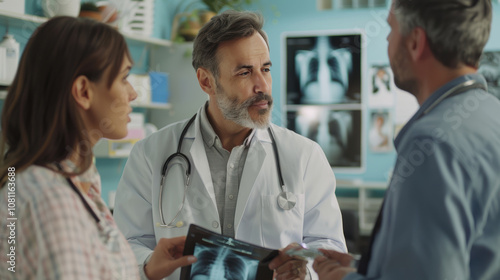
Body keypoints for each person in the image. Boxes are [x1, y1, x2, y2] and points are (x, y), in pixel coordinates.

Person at [113, 10, 347, 280]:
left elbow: (329, 246)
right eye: (245, 72)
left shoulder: (305, 156)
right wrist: (148, 263)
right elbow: (126, 245)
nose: (262, 85)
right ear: (206, 81)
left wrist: (304, 270)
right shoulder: (150, 154)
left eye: (266, 69)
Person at [313, 0, 500, 279]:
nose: (388, 39)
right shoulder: (491, 115)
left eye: (391, 28)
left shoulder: (432, 144)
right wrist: (365, 266)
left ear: (415, 42)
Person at [0, 17, 195, 280]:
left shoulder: (69, 179)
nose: (133, 94)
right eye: (124, 77)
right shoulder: (50, 201)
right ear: (83, 91)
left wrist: (146, 270)